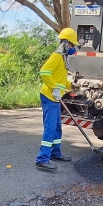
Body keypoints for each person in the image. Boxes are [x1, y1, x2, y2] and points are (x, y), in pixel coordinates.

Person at [35, 28, 79, 171]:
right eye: (72, 45)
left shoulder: (63, 58)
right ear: (66, 43)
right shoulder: (56, 56)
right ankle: (42, 159)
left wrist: (71, 86)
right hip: (49, 96)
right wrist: (54, 88)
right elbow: (44, 72)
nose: (73, 49)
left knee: (58, 128)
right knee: (50, 127)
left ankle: (56, 153)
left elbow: (59, 78)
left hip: (55, 96)